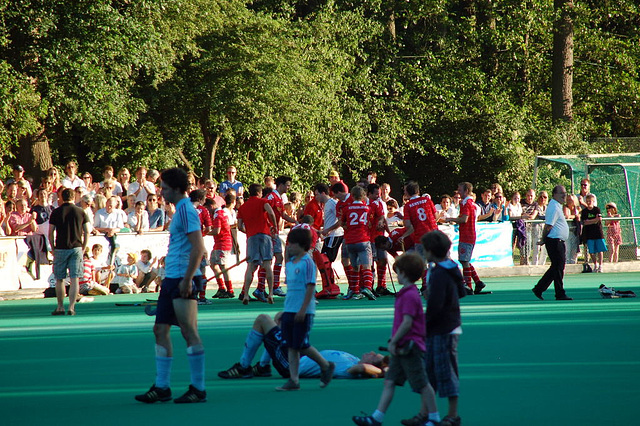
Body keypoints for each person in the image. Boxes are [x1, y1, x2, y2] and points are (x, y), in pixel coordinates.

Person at [135, 167, 207, 404]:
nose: (161, 192)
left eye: (165, 188)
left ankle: (198, 388)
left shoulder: (186, 210)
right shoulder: (179, 211)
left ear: (176, 189)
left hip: (182, 278)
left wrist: (187, 280)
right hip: (173, 277)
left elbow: (199, 248)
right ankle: (162, 387)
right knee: (160, 330)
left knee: (188, 332)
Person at [352, 252, 439, 426]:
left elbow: (407, 323)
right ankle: (377, 417)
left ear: (404, 274)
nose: (397, 275)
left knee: (422, 383)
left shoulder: (408, 295)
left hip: (410, 346)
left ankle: (434, 417)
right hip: (402, 347)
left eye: (398, 272)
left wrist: (393, 340)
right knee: (390, 381)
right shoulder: (408, 293)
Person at [274, 227, 335, 391]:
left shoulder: (307, 262)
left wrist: (302, 309)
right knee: (290, 345)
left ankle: (325, 365)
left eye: (292, 244)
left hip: (303, 311)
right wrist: (285, 310)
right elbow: (292, 289)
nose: (289, 247)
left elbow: (310, 287)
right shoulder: (290, 264)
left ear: (301, 245)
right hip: (290, 309)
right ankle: (294, 379)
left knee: (301, 344)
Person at [421, 231, 466, 426]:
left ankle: (452, 415)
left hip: (443, 328)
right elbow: (461, 292)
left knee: (445, 371)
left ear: (430, 250)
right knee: (430, 371)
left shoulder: (439, 273)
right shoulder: (449, 269)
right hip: (446, 325)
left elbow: (435, 305)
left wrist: (422, 325)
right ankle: (427, 413)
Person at [49, 188, 90, 315]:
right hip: (76, 247)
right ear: (74, 197)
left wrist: (53, 247)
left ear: (62, 197)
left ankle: (60, 306)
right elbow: (87, 231)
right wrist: (84, 246)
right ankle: (71, 307)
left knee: (60, 279)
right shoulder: (81, 211)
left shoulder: (56, 212)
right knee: (75, 278)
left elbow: (50, 232)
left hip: (61, 247)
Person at [256, 176, 297, 300]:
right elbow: (264, 211)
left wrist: (296, 222)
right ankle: (261, 288)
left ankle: (272, 286)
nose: (288, 187)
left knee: (278, 257)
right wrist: (270, 227)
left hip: (275, 233)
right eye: (287, 185)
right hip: (269, 232)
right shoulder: (271, 197)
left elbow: (283, 215)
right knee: (267, 260)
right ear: (280, 185)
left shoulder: (279, 198)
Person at [237, 183, 278, 304]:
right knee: (267, 264)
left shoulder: (243, 207)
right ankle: (270, 293)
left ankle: (245, 294)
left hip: (251, 236)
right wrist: (274, 226)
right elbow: (270, 212)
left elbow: (239, 226)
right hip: (264, 234)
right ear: (259, 192)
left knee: (250, 266)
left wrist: (248, 231)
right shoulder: (263, 202)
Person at [532, 185, 572, 301]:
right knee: (558, 267)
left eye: (565, 192)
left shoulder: (557, 206)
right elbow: (548, 226)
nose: (564, 195)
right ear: (554, 195)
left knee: (556, 267)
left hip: (557, 241)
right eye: (561, 193)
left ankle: (539, 288)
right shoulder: (554, 207)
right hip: (555, 241)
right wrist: (544, 239)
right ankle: (559, 293)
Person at [445, 182, 486, 294]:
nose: (458, 192)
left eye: (460, 190)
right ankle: (477, 282)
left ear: (466, 191)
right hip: (467, 234)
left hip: (467, 235)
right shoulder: (469, 203)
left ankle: (468, 286)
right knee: (465, 260)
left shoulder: (466, 203)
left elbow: (464, 219)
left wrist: (450, 219)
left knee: (464, 260)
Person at [339, 185, 376, 300]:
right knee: (366, 266)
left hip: (350, 240)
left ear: (352, 195)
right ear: (363, 196)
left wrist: (348, 227)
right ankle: (367, 288)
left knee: (354, 266)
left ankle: (354, 290)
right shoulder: (367, 208)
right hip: (363, 239)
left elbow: (342, 223)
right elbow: (370, 222)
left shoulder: (347, 208)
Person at [210, 199, 234, 298]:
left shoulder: (217, 214)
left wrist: (204, 232)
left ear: (211, 206)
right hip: (219, 243)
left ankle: (230, 290)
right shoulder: (222, 213)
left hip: (223, 243)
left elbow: (217, 231)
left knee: (223, 266)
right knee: (213, 264)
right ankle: (222, 288)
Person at [581, 193, 607, 273]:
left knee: (600, 250)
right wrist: (593, 220)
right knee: (591, 251)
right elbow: (584, 222)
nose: (589, 202)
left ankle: (600, 266)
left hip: (598, 233)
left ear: (593, 201)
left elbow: (599, 219)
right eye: (587, 201)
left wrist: (590, 221)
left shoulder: (597, 209)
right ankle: (595, 264)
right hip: (589, 234)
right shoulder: (584, 211)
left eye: (590, 201)